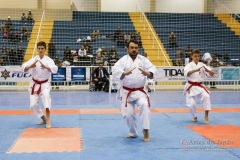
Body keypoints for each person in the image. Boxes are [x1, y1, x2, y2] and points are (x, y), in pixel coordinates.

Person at [112, 40, 157, 142]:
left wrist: (148, 73)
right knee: (128, 114)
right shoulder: (123, 60)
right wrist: (123, 73)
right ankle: (133, 132)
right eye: (132, 47)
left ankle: (146, 129)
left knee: (145, 105)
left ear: (138, 49)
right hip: (126, 92)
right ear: (127, 49)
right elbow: (115, 70)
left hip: (140, 92)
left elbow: (153, 68)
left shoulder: (143, 60)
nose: (134, 50)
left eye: (136, 48)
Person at [22, 41, 58, 128]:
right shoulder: (34, 59)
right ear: (37, 49)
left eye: (42, 48)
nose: (41, 50)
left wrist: (47, 67)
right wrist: (30, 66)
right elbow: (23, 66)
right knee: (33, 105)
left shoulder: (49, 60)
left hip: (45, 84)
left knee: (46, 98)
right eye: (39, 48)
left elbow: (55, 69)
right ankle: (44, 118)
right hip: (34, 84)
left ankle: (48, 120)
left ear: (45, 49)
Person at [183, 49, 214, 124]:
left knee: (207, 96)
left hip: (200, 85)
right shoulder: (189, 65)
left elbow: (212, 73)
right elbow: (187, 74)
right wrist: (195, 70)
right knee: (192, 104)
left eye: (198, 56)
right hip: (191, 85)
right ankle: (194, 116)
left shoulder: (202, 65)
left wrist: (209, 71)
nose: (197, 57)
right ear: (192, 57)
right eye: (195, 56)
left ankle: (206, 116)